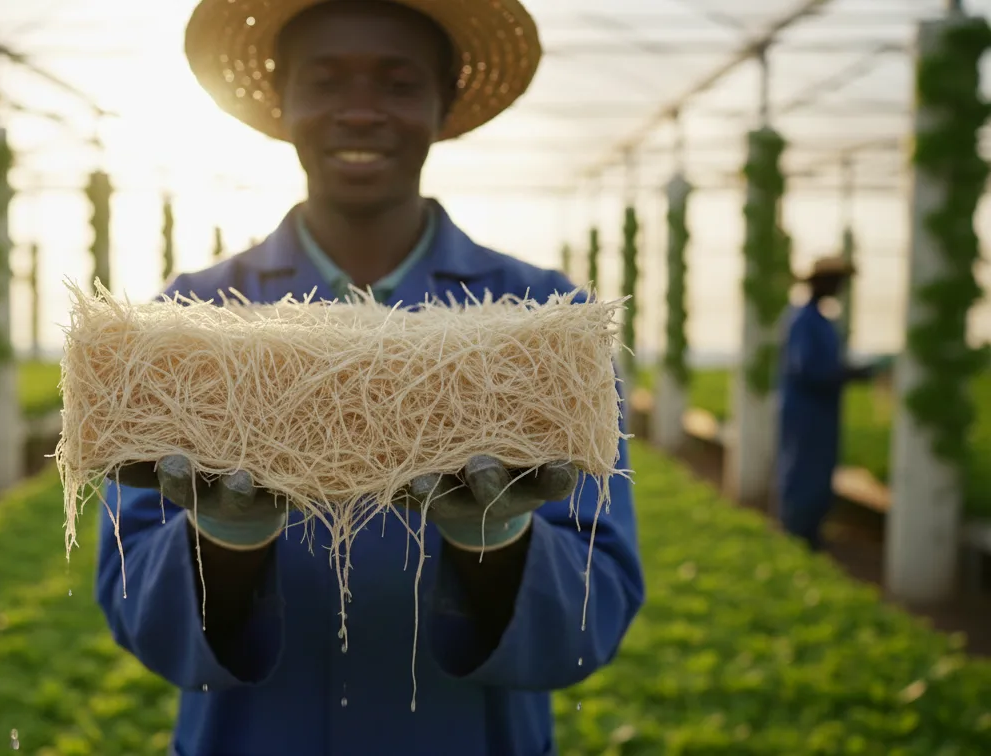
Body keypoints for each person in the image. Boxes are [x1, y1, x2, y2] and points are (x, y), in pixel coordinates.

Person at [94, 2, 645, 754]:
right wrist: (220, 542)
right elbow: (133, 609)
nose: (360, 112)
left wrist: (502, 542)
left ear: (441, 107)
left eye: (397, 83)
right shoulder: (182, 323)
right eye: (325, 82)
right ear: (282, 105)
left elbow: (599, 607)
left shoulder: (552, 324)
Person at [777, 256, 891, 551]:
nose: (839, 288)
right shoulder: (804, 321)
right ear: (819, 283)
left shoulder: (823, 321)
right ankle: (797, 533)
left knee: (818, 471)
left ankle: (810, 532)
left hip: (821, 412)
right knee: (804, 471)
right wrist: (850, 373)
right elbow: (807, 370)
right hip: (807, 413)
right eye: (835, 282)